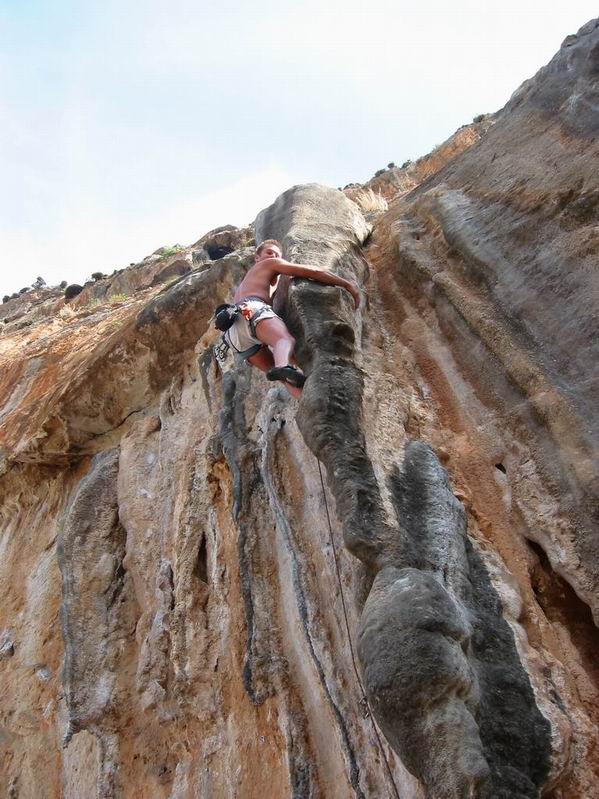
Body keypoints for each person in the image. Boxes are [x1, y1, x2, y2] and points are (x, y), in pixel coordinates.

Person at [224, 239, 360, 398]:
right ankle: (283, 367)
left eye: (277, 255)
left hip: (234, 332)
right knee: (284, 340)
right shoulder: (269, 264)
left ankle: (305, 400)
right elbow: (313, 272)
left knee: (285, 381)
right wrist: (347, 285)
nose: (274, 256)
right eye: (269, 252)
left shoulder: (247, 283)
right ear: (257, 258)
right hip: (251, 309)